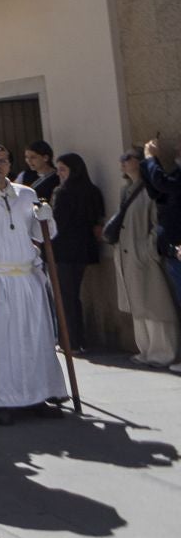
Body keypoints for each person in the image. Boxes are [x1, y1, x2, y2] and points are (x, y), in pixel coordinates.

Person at [0, 145, 68, 422]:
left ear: (10, 164)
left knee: (33, 338)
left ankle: (37, 395)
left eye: (2, 160)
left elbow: (42, 235)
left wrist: (45, 218)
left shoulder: (26, 193)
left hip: (25, 278)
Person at [108, 150, 180, 367]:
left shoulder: (150, 190)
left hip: (144, 255)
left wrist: (148, 250)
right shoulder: (126, 190)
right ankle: (146, 350)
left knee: (156, 305)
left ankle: (163, 352)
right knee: (139, 307)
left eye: (127, 158)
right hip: (128, 255)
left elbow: (157, 220)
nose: (122, 163)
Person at [49, 152, 104, 353]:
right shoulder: (93, 191)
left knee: (65, 296)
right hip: (84, 250)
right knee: (72, 296)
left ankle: (70, 341)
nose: (60, 174)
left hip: (63, 251)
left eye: (63, 169)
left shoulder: (62, 192)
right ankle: (76, 339)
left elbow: (56, 222)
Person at [142, 139, 181, 319]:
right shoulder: (176, 173)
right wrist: (150, 162)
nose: (176, 147)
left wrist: (151, 159)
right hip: (172, 250)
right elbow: (158, 192)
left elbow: (163, 184)